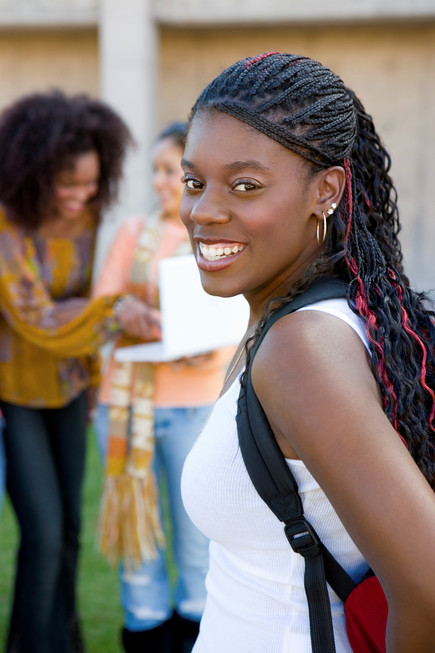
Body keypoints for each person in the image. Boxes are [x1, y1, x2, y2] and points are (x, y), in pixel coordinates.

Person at [179, 52, 435, 652]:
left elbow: (426, 587)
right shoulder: (311, 320)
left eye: (245, 185)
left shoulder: (302, 349)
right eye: (195, 181)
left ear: (326, 190)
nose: (203, 211)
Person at [0, 90, 161, 653]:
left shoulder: (87, 215)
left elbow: (88, 296)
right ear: (33, 172)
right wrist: (115, 312)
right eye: (67, 186)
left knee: (70, 531)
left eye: (91, 185)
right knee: (42, 534)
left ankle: (62, 640)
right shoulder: (7, 222)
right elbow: (35, 318)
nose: (81, 196)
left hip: (70, 389)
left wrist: (93, 371)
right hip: (16, 394)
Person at [93, 122, 231, 653]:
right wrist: (123, 311)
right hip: (126, 407)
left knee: (198, 541)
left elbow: (240, 318)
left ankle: (199, 634)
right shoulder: (133, 233)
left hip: (196, 405)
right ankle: (146, 630)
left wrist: (209, 348)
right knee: (138, 543)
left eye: (169, 171)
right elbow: (101, 305)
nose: (157, 181)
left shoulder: (218, 234)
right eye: (153, 170)